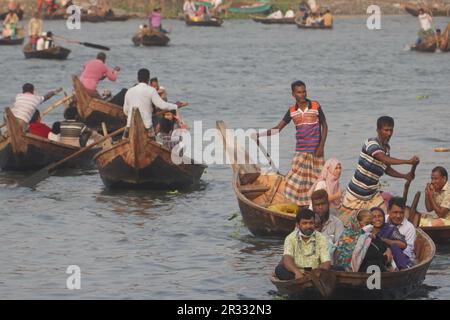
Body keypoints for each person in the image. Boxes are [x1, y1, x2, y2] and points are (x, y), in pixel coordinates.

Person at [255, 80, 327, 208]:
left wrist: (321, 146)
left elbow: (324, 125)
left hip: (316, 151)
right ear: (293, 94)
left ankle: (314, 206)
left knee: (316, 181)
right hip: (300, 150)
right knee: (293, 180)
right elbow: (277, 128)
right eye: (299, 92)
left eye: (304, 91)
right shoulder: (292, 111)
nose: (302, 94)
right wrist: (260, 134)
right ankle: (300, 205)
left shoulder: (315, 106)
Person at [339, 116, 419, 225]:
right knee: (348, 224)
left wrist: (404, 176)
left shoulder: (386, 148)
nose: (389, 133)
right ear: (378, 130)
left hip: (372, 195)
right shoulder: (371, 143)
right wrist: (408, 161)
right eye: (386, 130)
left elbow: (387, 169)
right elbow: (382, 158)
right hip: (355, 195)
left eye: (391, 130)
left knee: (385, 220)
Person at [122, 68, 187, 137]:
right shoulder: (151, 90)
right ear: (148, 79)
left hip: (130, 126)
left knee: (124, 140)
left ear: (138, 78)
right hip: (147, 127)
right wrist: (175, 106)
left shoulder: (129, 91)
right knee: (153, 141)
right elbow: (162, 105)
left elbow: (125, 111)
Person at [274, 209, 331, 280]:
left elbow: (326, 262)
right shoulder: (290, 238)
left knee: (337, 269)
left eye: (311, 223)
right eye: (305, 223)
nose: (308, 226)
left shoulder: (321, 238)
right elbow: (287, 258)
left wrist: (317, 272)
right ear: (297, 225)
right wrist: (297, 272)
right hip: (296, 274)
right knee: (279, 270)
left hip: (316, 274)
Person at [311, 190, 344, 256]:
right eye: (317, 205)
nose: (320, 207)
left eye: (323, 204)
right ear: (312, 206)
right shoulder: (305, 222)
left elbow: (340, 247)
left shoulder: (337, 223)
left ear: (328, 204)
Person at [386, 197, 416, 265]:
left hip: (402, 259)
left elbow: (408, 251)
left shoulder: (409, 228)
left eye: (401, 213)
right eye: (395, 212)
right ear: (388, 210)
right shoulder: (382, 220)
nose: (398, 216)